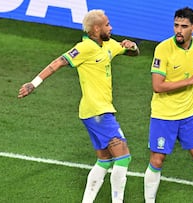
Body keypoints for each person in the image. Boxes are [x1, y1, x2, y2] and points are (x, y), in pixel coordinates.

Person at [17, 9, 139, 203]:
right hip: (97, 111)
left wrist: (132, 46)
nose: (111, 27)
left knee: (105, 160)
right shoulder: (84, 48)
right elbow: (58, 62)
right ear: (97, 28)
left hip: (95, 111)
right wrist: (34, 83)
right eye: (107, 24)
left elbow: (132, 52)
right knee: (124, 158)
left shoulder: (108, 44)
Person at [144, 7, 193, 203]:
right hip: (164, 114)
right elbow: (157, 86)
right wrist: (190, 81)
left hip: (189, 112)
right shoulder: (163, 49)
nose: (179, 30)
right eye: (176, 25)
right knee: (157, 160)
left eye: (184, 26)